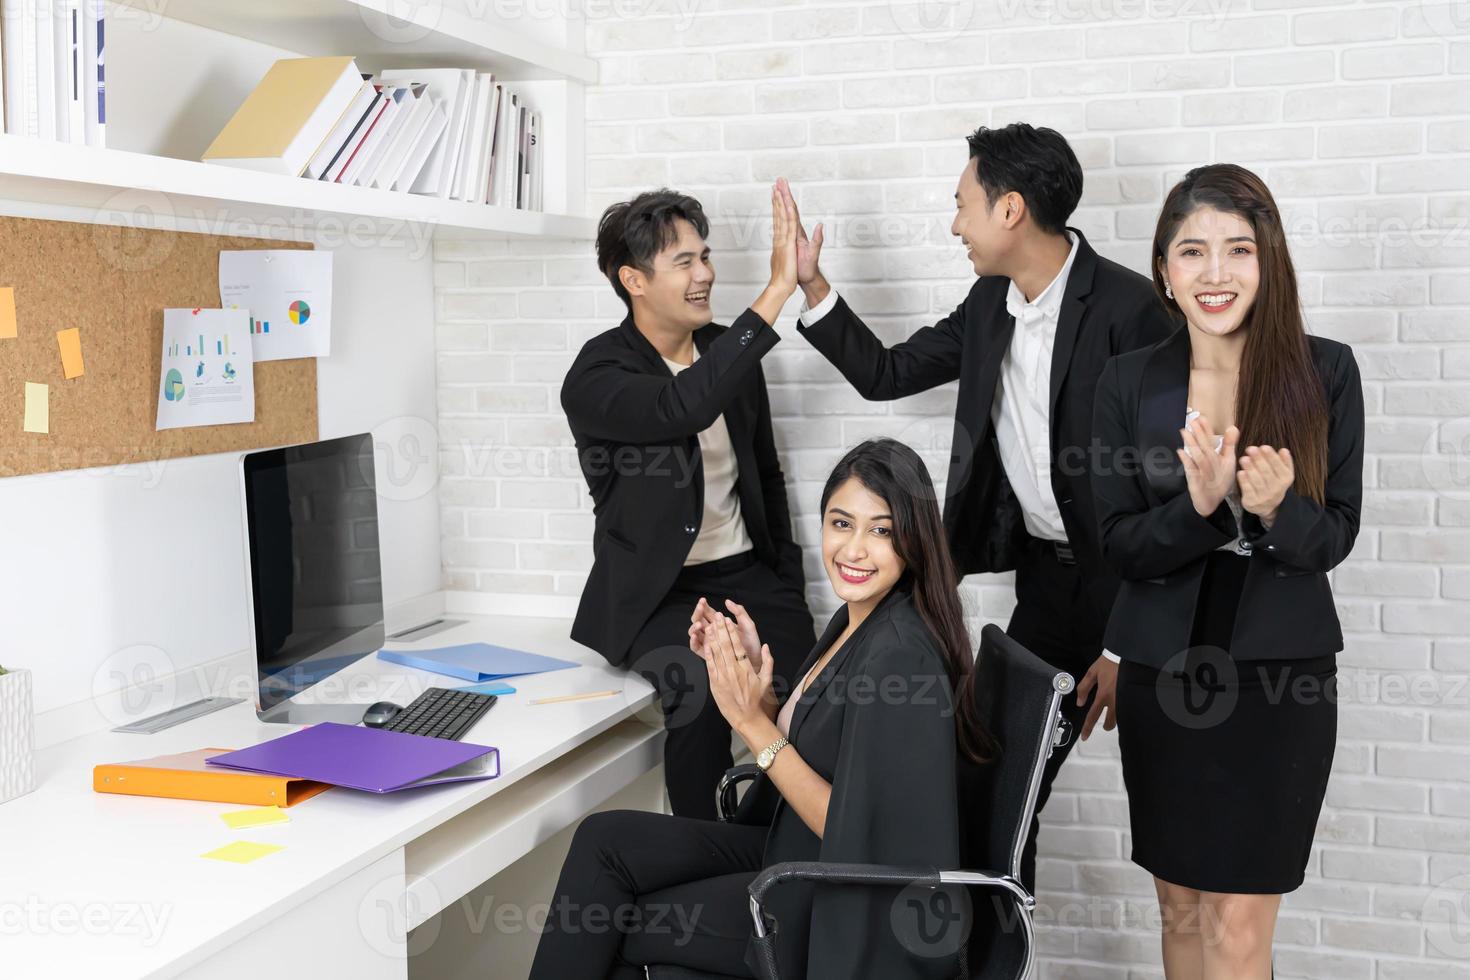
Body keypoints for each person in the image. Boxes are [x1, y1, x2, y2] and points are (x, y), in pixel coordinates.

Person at [781, 123, 1177, 888]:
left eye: (962, 204)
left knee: (1166, 813)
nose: (954, 223)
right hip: (1047, 586)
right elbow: (889, 373)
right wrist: (814, 289)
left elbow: (1167, 496)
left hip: (1137, 593)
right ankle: (993, 937)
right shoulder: (991, 302)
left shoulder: (1131, 310)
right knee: (998, 785)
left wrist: (1126, 645)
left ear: (1011, 210)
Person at [528, 439, 994, 980]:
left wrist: (750, 725)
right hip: (790, 847)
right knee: (604, 840)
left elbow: (858, 836)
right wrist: (762, 690)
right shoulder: (859, 618)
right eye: (841, 524)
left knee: (613, 921)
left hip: (833, 900)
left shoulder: (901, 656)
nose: (854, 550)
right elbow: (829, 740)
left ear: (913, 540)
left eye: (881, 530)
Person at [1090, 163, 1364, 980]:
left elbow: (1336, 536)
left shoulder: (1326, 371)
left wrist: (1281, 510)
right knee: (1179, 909)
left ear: (1268, 261)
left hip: (1279, 688)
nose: (1216, 273)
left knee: (1239, 932)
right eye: (1193, 251)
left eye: (1238, 249)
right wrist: (1203, 509)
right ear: (1165, 272)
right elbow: (1119, 544)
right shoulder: (1127, 380)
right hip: (1161, 683)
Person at [561, 186, 816, 819]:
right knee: (700, 694)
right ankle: (700, 863)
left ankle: (785, 852)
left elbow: (765, 473)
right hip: (659, 594)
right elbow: (682, 408)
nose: (704, 274)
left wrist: (787, 582)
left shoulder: (729, 353)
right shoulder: (597, 376)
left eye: (706, 256)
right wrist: (779, 289)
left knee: (811, 697)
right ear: (633, 279)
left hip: (748, 575)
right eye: (684, 262)